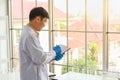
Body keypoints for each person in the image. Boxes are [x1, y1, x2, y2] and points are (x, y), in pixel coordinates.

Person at [19, 7, 66, 80]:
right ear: (37, 19)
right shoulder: (30, 36)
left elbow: (36, 57)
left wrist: (53, 57)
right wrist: (54, 52)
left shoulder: (29, 33)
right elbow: (40, 58)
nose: (45, 25)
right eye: (45, 21)